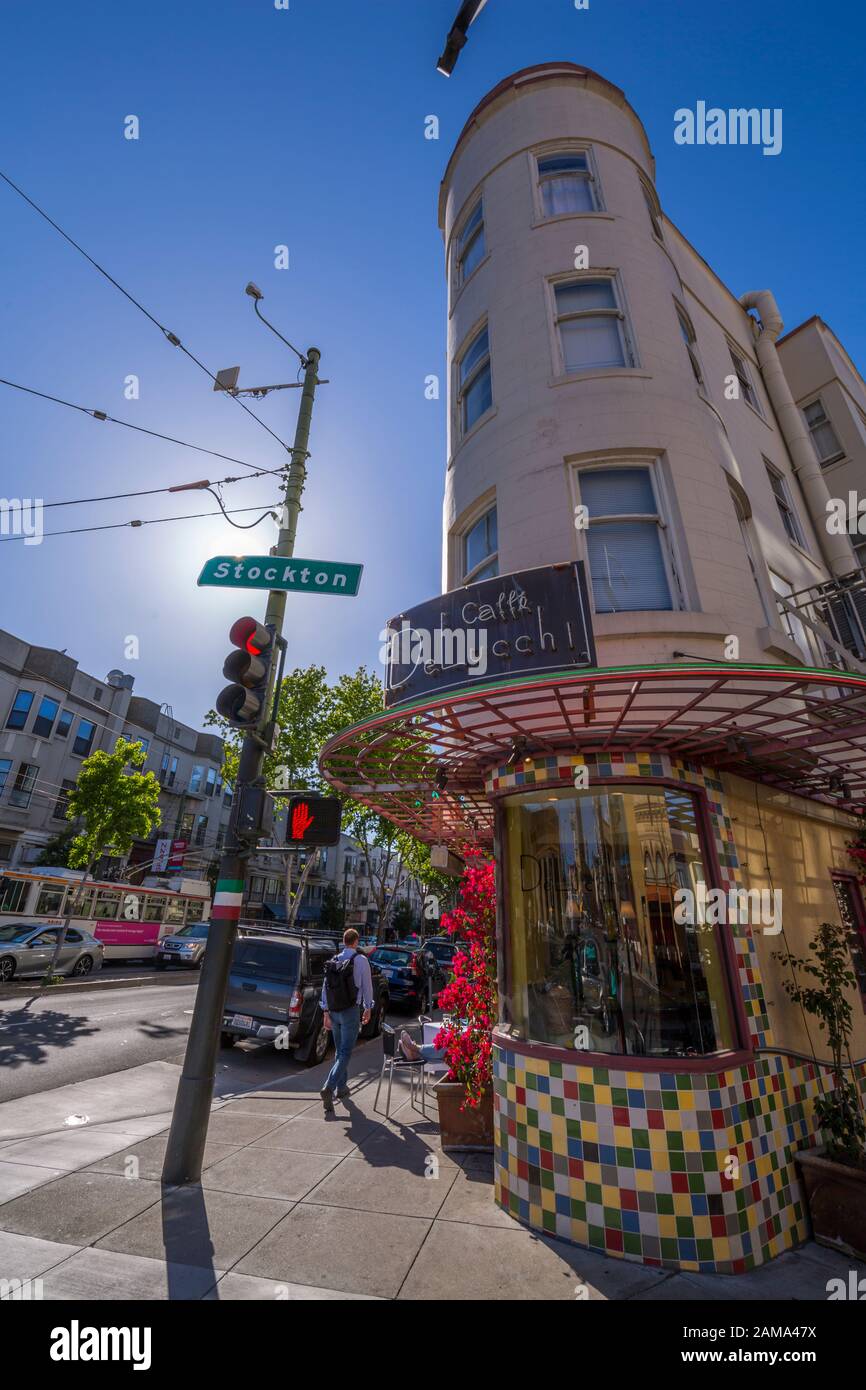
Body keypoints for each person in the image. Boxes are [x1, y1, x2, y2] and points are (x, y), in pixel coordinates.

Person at [320, 928, 373, 1114]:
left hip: (334, 1010)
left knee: (339, 1050)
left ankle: (341, 1089)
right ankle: (329, 1086)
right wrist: (368, 1008)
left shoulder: (334, 960)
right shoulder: (361, 960)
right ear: (356, 941)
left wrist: (325, 1011)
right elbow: (367, 986)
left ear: (343, 941)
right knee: (345, 1052)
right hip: (350, 1010)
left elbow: (325, 987)